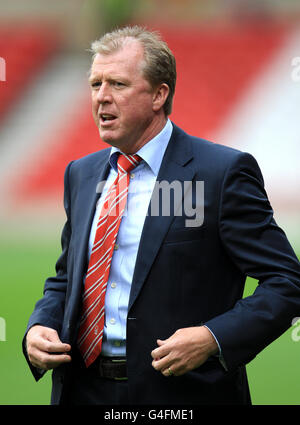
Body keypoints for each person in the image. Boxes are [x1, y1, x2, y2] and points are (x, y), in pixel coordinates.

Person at [23, 25, 300, 405]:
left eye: (117, 84)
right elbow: (68, 278)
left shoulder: (219, 173)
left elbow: (286, 281)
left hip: (180, 396)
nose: (101, 98)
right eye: (94, 84)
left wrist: (213, 338)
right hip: (81, 391)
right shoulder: (82, 174)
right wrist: (40, 325)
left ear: (159, 94)